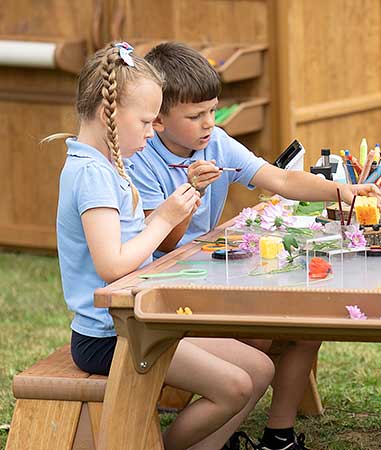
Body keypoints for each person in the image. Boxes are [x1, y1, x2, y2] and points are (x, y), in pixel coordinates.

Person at [129, 42, 381, 450]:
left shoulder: (217, 143)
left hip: (210, 271)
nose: (209, 123)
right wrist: (188, 191)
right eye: (195, 116)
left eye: (213, 111)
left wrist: (343, 190)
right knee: (267, 335)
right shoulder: (141, 157)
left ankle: (277, 436)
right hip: (168, 284)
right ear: (157, 119)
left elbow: (280, 180)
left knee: (305, 320)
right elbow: (161, 244)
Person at [52, 42, 274, 450]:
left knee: (259, 368)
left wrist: (169, 214)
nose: (153, 132)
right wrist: (166, 219)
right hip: (109, 335)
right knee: (235, 386)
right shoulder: (91, 176)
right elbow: (112, 266)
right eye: (147, 121)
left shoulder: (106, 165)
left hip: (140, 320)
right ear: (109, 115)